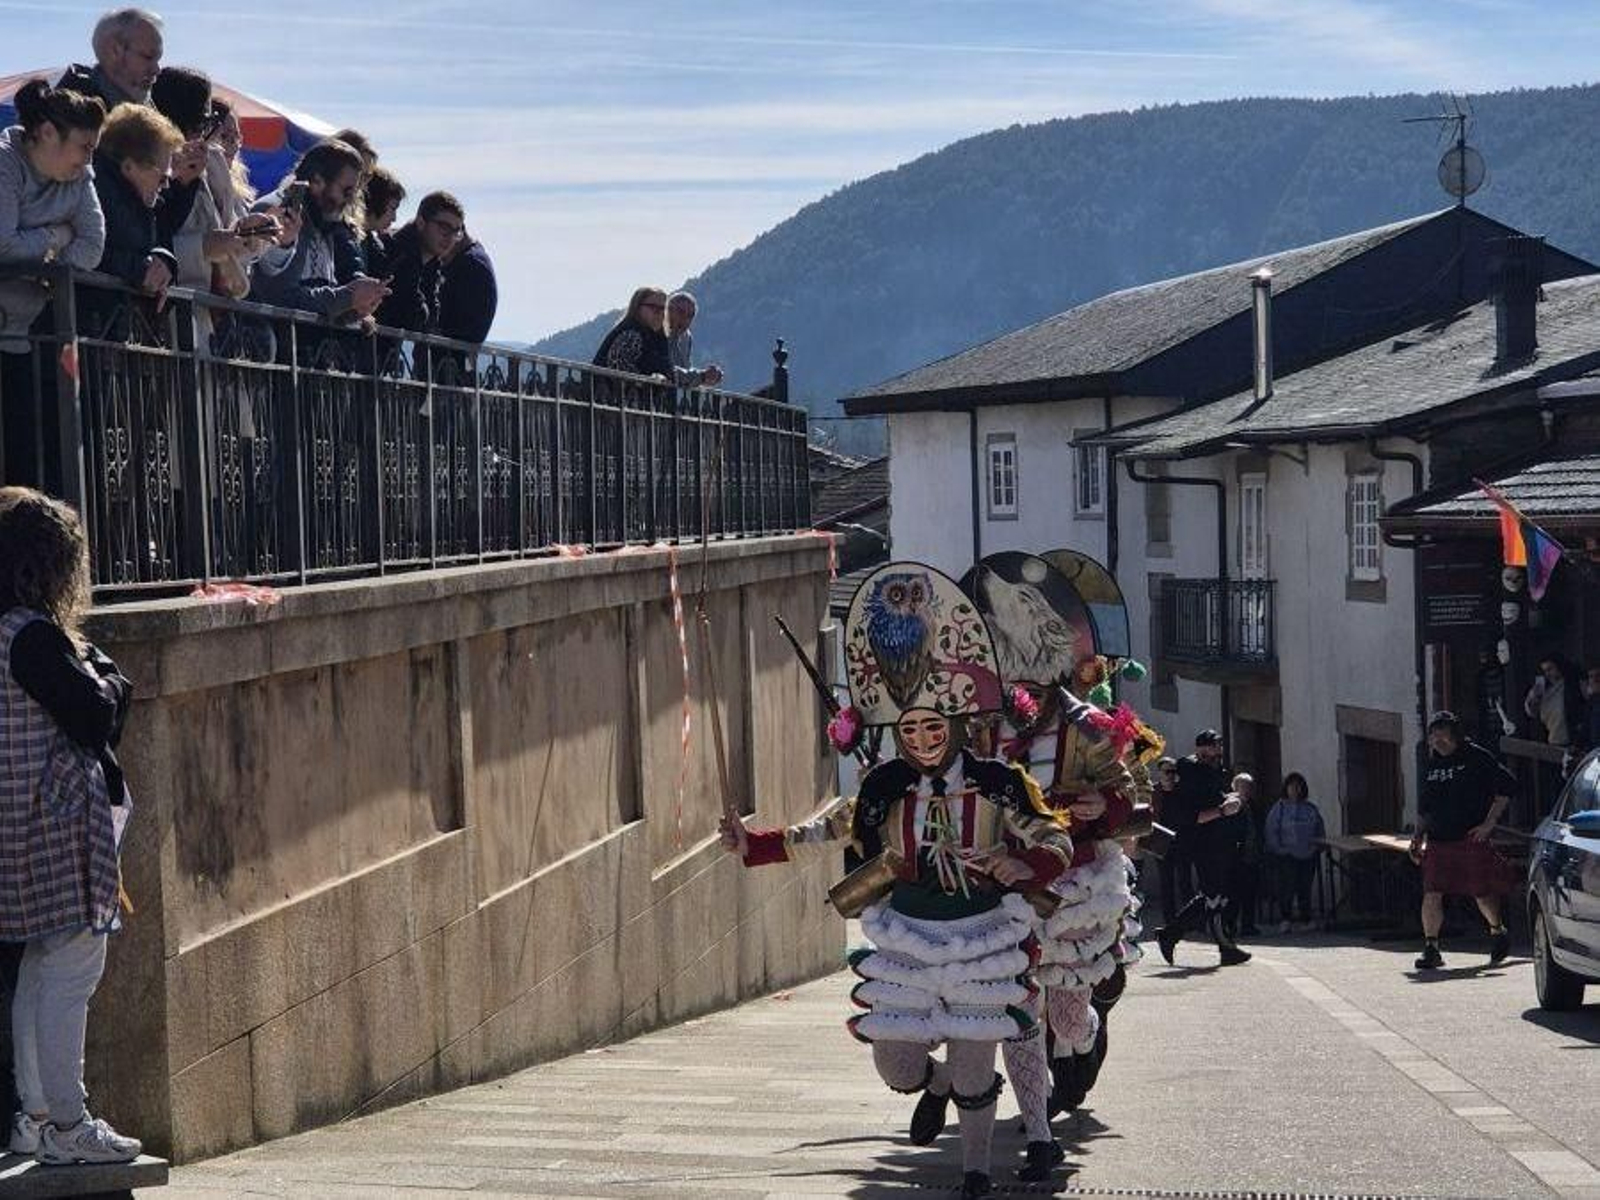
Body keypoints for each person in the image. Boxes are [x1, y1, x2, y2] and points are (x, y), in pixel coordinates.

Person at [722, 562, 1072, 1200]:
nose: (922, 739)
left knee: (975, 1064)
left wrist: (1026, 863)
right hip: (907, 936)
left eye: (933, 727)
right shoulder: (881, 787)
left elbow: (1055, 836)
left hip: (984, 936)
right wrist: (758, 842)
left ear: (957, 725)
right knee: (897, 1064)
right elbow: (829, 830)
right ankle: (931, 1088)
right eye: (910, 729)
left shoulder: (1000, 781)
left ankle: (974, 1174)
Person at [0, 488, 141, 1164]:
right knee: (73, 969)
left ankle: (33, 1117)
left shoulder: (11, 632)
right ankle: (67, 1122)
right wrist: (109, 683)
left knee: (38, 965)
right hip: (55, 826)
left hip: (22, 825)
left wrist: (100, 678)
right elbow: (95, 713)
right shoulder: (31, 637)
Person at [0, 80, 106, 489]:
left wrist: (39, 259)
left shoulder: (80, 176)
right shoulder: (6, 161)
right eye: (83, 146)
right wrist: (56, 237)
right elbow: (3, 244)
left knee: (26, 465)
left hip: (29, 335)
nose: (88, 158)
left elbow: (94, 245)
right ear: (46, 133)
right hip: (9, 329)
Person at [149, 68, 277, 306]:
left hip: (214, 312)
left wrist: (248, 232)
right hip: (171, 309)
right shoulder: (147, 160)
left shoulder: (214, 162)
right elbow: (142, 240)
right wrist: (202, 248)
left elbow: (230, 244)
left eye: (209, 123)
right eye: (201, 122)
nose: (206, 133)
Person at [1409, 712, 1516, 971]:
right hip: (1438, 840)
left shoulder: (1477, 757)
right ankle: (1431, 948)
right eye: (1433, 735)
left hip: (1469, 837)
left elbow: (1507, 788)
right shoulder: (1431, 766)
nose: (1437, 740)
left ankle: (1497, 930)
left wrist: (1489, 824)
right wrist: (1418, 835)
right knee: (1432, 892)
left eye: (1442, 734)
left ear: (1455, 734)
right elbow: (1425, 807)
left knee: (1481, 892)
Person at [248, 139, 388, 329]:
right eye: (346, 191)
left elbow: (322, 302)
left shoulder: (324, 220)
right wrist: (348, 297)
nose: (349, 201)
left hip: (312, 352)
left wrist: (356, 309)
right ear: (316, 181)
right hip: (278, 348)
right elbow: (279, 298)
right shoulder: (277, 213)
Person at [1154, 729, 1251, 967]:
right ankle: (1172, 934)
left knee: (1214, 895)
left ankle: (1180, 936)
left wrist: (1230, 799)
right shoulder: (1188, 770)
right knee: (1212, 895)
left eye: (1219, 746)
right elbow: (1189, 815)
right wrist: (1221, 811)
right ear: (1200, 748)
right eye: (1213, 746)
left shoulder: (1214, 769)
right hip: (1200, 841)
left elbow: (1215, 795)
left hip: (1220, 840)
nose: (1218, 751)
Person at [91, 103, 181, 302]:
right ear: (129, 166)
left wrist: (162, 261)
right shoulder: (93, 192)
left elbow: (150, 246)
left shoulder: (142, 201)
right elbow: (83, 253)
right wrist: (139, 269)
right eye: (162, 178)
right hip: (83, 321)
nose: (166, 186)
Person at [59, 8, 164, 109]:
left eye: (157, 59)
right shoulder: (70, 117)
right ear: (115, 51)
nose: (156, 70)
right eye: (148, 57)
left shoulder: (150, 106)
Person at [1265, 772, 1323, 931]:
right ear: (1286, 788)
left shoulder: (1311, 809)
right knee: (1287, 888)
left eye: (1299, 786)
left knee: (1305, 887)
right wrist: (1280, 850)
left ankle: (1306, 919)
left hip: (1308, 855)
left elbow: (1319, 830)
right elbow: (1271, 831)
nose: (1295, 789)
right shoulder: (1279, 808)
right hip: (1287, 855)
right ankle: (1286, 919)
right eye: (1292, 786)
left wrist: (1316, 848)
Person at [592, 286, 673, 379]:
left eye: (663, 308)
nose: (659, 312)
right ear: (637, 307)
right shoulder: (631, 334)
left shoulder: (660, 338)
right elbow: (618, 367)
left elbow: (664, 367)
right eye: (653, 307)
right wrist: (649, 380)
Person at [1149, 755, 1190, 924]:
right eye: (1167, 771)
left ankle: (1189, 919)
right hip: (1161, 841)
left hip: (1181, 840)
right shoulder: (1153, 792)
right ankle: (1170, 920)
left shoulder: (1182, 791)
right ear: (1159, 773)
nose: (1170, 775)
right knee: (1166, 882)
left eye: (1173, 772)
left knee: (1185, 881)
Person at [1223, 772, 1262, 937]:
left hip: (1252, 855)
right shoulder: (1230, 805)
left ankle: (1248, 925)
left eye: (1249, 787)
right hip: (1235, 856)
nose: (1246, 790)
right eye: (1243, 787)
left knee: (1250, 892)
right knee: (1234, 894)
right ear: (1235, 788)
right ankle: (1230, 925)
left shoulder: (1254, 806)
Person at [664, 291, 723, 388]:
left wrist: (708, 377)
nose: (685, 319)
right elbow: (666, 371)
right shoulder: (657, 332)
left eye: (690, 316)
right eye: (680, 312)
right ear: (668, 311)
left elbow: (685, 369)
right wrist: (701, 376)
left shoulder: (686, 338)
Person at [358, 166, 405, 279]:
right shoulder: (348, 239)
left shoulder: (373, 244)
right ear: (376, 201)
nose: (394, 218)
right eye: (392, 208)